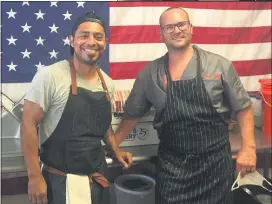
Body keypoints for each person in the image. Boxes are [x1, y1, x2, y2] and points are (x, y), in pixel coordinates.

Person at [114, 7, 257, 204]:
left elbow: (243, 107)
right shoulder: (149, 74)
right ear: (161, 33)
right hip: (172, 169)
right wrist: (113, 147)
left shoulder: (219, 65)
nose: (176, 30)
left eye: (181, 24)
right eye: (169, 27)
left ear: (191, 28)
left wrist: (248, 149)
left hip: (215, 166)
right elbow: (132, 115)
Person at [20, 11, 132, 204]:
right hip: (60, 181)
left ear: (105, 43)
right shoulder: (50, 76)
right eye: (84, 35)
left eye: (98, 36)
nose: (91, 41)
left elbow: (102, 125)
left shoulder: (108, 84)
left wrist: (116, 149)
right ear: (71, 40)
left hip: (97, 179)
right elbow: (28, 123)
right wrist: (34, 177)